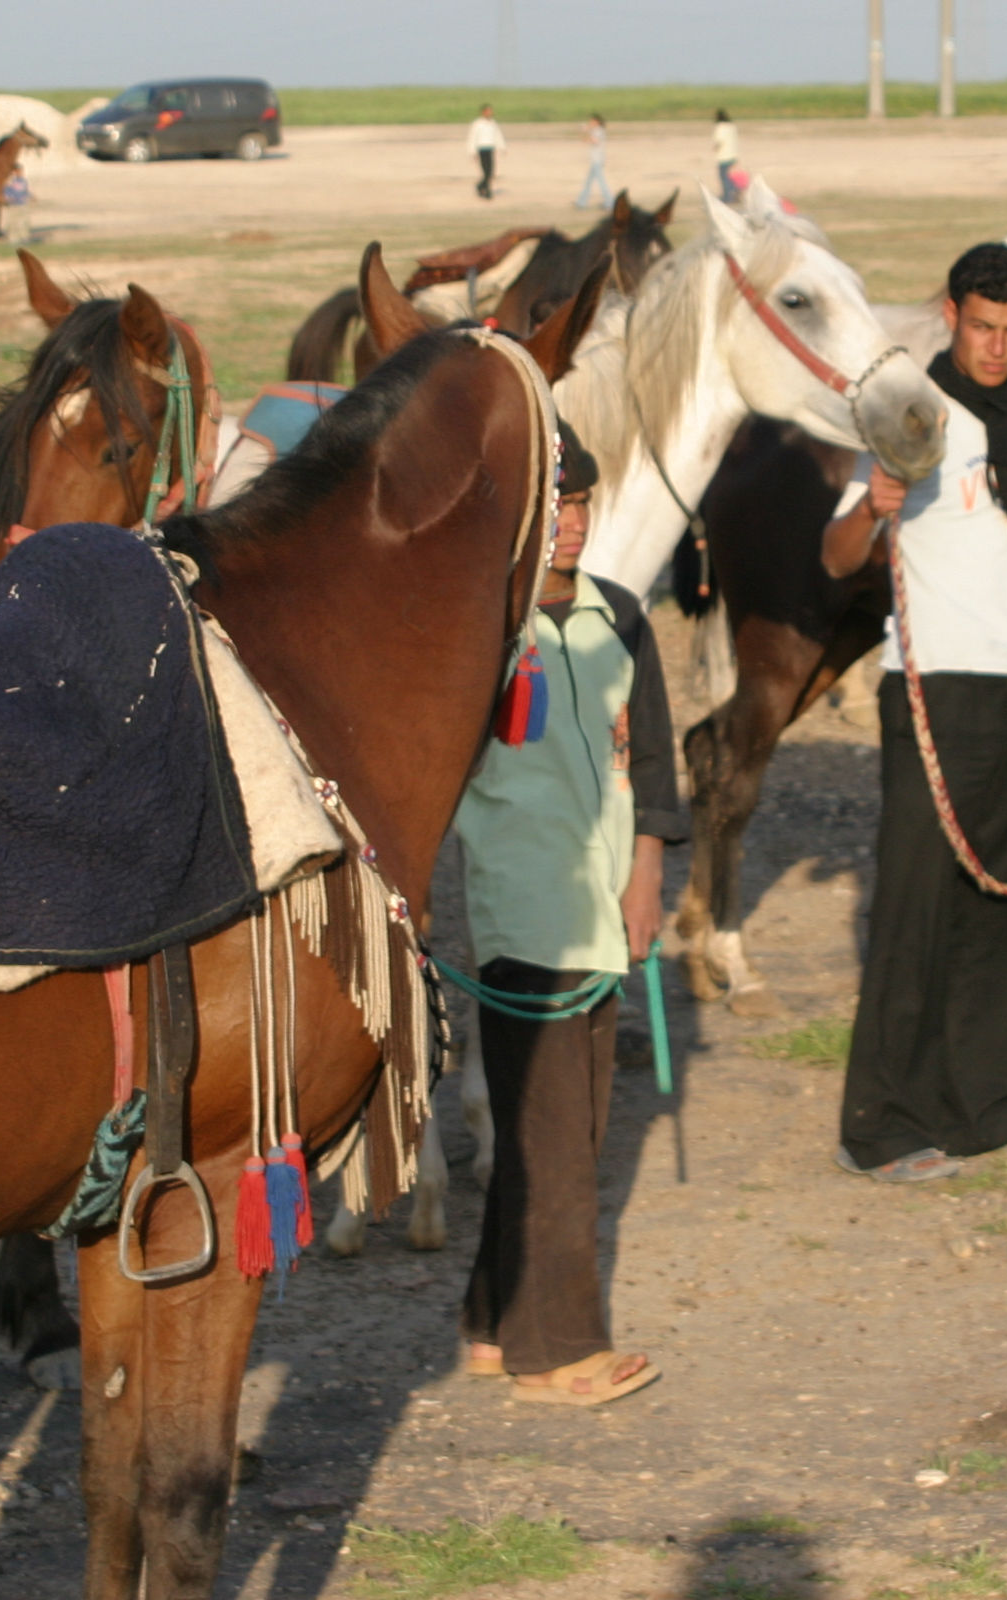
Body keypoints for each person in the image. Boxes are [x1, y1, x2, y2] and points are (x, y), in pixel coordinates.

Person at [820, 244, 1007, 1184]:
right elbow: (835, 556)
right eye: (982, 327)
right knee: (918, 906)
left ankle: (984, 1107)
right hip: (934, 685)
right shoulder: (912, 415)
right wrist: (873, 508)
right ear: (951, 314)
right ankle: (882, 1128)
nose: (996, 346)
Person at [453, 421, 680, 1406]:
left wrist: (647, 874)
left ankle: (492, 1323)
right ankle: (557, 1351)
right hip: (526, 906)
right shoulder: (479, 631)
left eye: (581, 501)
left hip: (606, 906)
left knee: (556, 1128)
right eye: (554, 505)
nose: (573, 521)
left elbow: (655, 759)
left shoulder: (620, 616)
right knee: (553, 1136)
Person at [572, 113, 610, 210]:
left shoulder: (599, 131)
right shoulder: (596, 130)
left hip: (597, 161)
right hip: (595, 161)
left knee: (601, 183)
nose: (590, 123)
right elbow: (586, 139)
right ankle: (581, 202)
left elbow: (595, 141)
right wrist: (586, 131)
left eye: (592, 121)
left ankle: (610, 203)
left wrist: (587, 130)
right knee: (589, 182)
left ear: (597, 122)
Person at [469, 104, 505, 200]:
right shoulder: (478, 124)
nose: (490, 113)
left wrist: (502, 146)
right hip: (481, 149)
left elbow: (498, 135)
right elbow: (473, 137)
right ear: (483, 112)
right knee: (486, 172)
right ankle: (487, 190)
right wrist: (472, 151)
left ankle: (481, 186)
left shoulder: (493, 123)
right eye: (488, 111)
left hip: (490, 149)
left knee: (490, 171)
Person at [712, 108, 739, 202]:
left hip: (723, 156)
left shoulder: (720, 127)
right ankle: (734, 192)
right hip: (733, 155)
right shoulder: (732, 126)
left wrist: (715, 148)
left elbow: (719, 141)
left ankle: (727, 196)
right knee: (730, 176)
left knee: (724, 177)